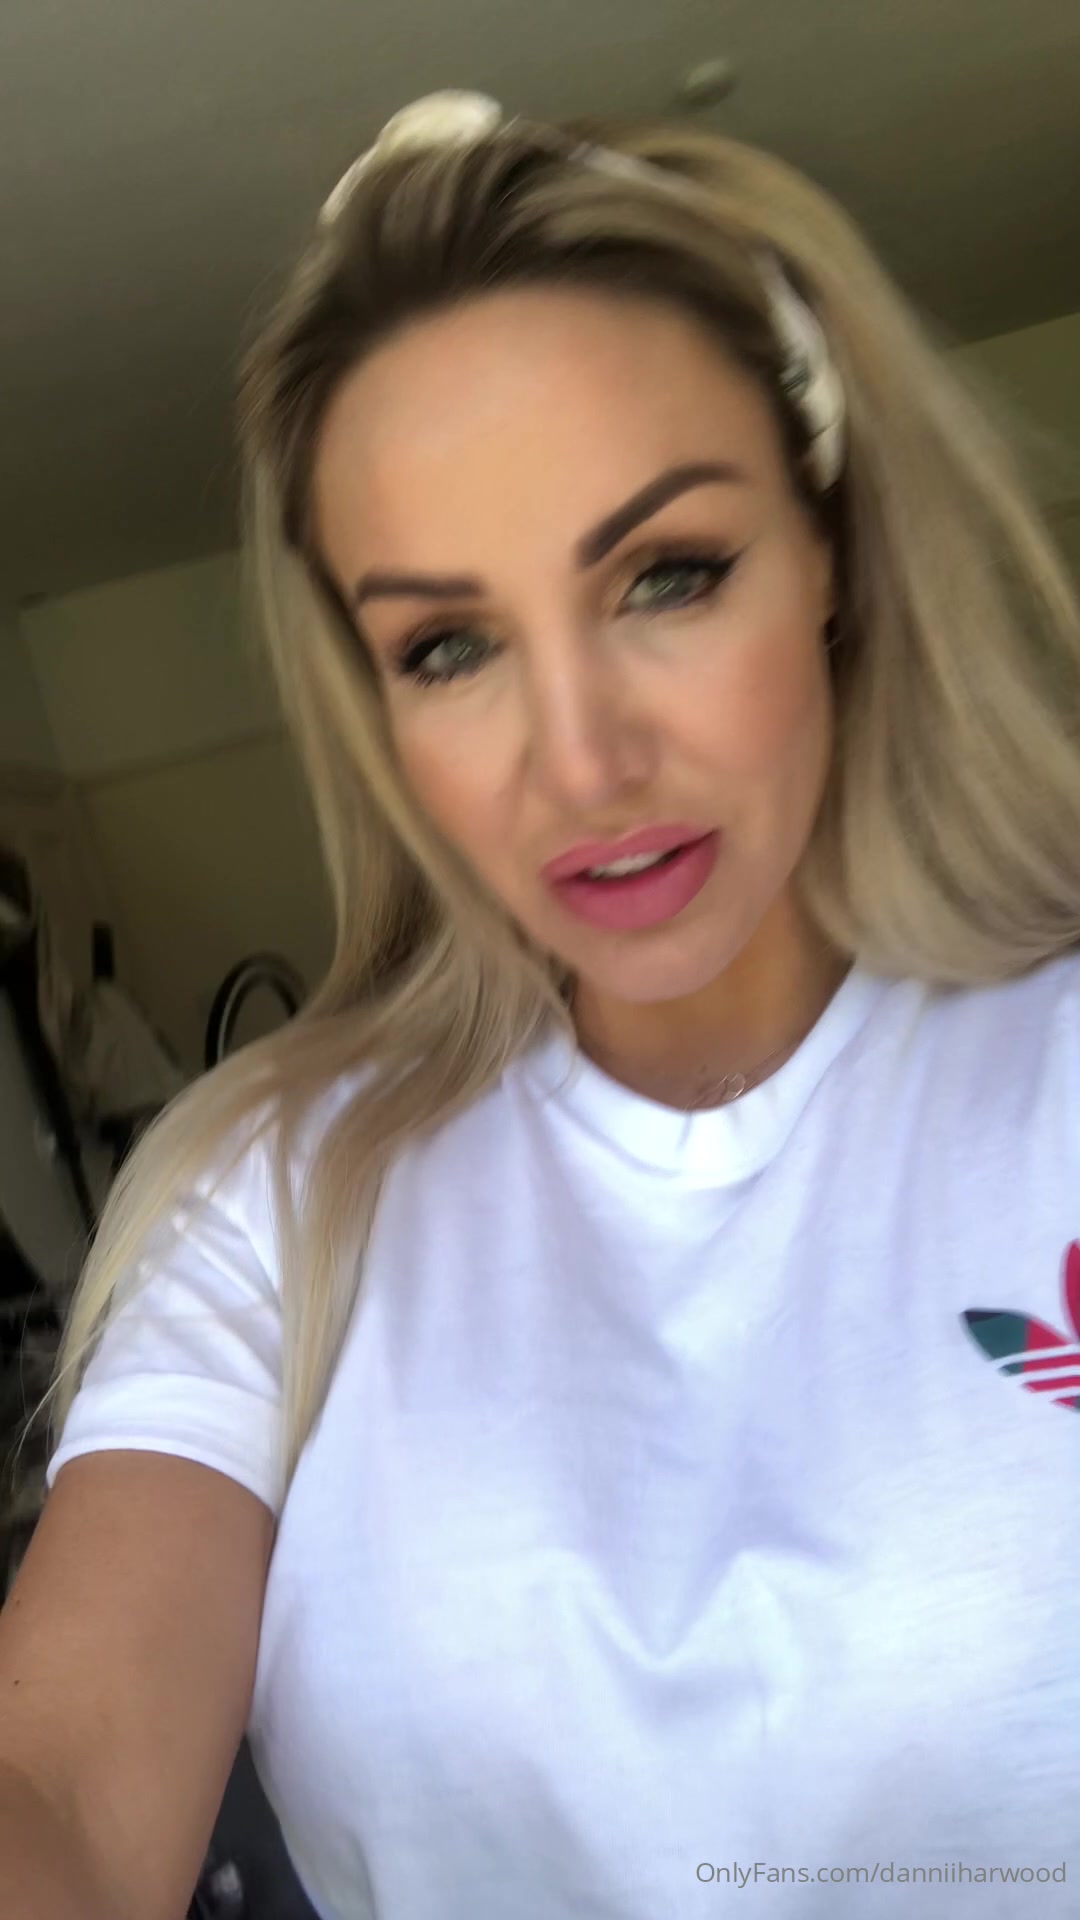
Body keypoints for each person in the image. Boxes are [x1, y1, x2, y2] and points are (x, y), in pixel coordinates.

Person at [1, 90, 1078, 1920]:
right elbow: (67, 1797)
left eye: (669, 575)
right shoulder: (278, 1194)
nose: (582, 762)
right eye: (449, 646)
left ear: (832, 552)